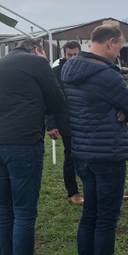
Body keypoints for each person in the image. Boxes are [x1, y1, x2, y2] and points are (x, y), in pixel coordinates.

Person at [62, 20, 128, 255]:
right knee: (107, 218)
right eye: (119, 46)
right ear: (109, 43)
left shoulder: (69, 69)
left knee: (90, 215)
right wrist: (120, 113)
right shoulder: (107, 75)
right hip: (107, 153)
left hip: (82, 152)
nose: (120, 53)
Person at [0, 38, 65, 255]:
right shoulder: (37, 63)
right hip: (22, 142)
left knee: (4, 210)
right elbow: (57, 101)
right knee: (24, 211)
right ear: (38, 49)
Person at [46, 41, 83, 205]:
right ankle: (73, 192)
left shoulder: (86, 69)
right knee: (71, 156)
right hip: (65, 120)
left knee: (89, 156)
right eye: (70, 55)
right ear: (64, 54)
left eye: (76, 54)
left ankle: (93, 188)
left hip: (85, 119)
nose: (73, 58)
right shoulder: (55, 73)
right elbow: (48, 99)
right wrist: (51, 124)